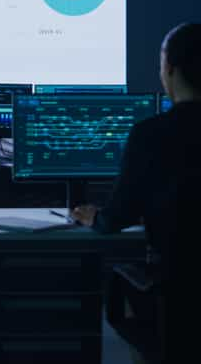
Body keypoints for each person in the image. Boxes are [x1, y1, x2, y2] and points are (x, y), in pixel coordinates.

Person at [72, 22, 201, 362]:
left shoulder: (152, 135)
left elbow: (117, 218)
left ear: (169, 69)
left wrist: (93, 216)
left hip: (181, 294)